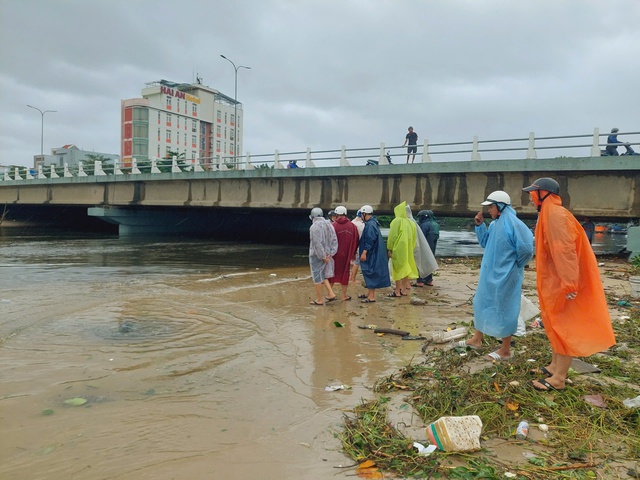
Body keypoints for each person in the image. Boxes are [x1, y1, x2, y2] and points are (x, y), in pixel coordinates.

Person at [523, 178, 616, 391]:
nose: (530, 198)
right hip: (554, 281)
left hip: (563, 283)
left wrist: (569, 284)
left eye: (533, 193)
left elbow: (564, 251)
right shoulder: (548, 213)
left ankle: (559, 378)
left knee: (564, 326)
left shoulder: (555, 215)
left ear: (543, 193)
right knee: (555, 324)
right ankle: (555, 366)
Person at [459, 191, 534, 361]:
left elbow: (527, 249)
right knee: (482, 302)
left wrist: (517, 265)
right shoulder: (494, 224)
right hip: (489, 274)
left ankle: (505, 349)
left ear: (500, 206)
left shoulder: (515, 224)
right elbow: (486, 243)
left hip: (507, 275)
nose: (489, 211)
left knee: (505, 307)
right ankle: (477, 339)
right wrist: (480, 226)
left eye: (491, 207)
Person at [358, 205, 391, 303]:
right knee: (371, 272)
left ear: (364, 214)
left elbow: (370, 240)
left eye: (361, 215)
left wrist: (364, 252)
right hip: (376, 252)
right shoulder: (373, 223)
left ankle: (371, 296)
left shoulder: (370, 225)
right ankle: (369, 293)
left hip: (372, 254)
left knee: (370, 272)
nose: (360, 217)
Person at [387, 201, 419, 297]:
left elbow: (392, 236)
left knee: (398, 269)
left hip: (398, 248)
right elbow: (414, 238)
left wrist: (390, 248)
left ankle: (397, 291)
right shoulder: (411, 223)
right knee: (406, 268)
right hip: (408, 249)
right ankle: (404, 290)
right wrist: (412, 248)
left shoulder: (396, 221)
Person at [308, 207, 338, 305]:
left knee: (317, 277)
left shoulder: (314, 227)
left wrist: (322, 256)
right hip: (328, 254)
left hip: (317, 255)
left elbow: (317, 243)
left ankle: (319, 299)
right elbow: (334, 239)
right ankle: (331, 293)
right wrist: (331, 253)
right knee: (323, 275)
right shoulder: (328, 224)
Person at [329, 206, 359, 301]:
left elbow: (328, 240)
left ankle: (330, 293)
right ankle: (344, 295)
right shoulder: (353, 226)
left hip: (334, 254)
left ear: (337, 214)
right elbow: (356, 240)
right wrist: (353, 253)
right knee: (345, 274)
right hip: (346, 255)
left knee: (332, 273)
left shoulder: (333, 226)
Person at [415, 210, 440, 286]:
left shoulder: (424, 225)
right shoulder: (433, 225)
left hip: (424, 248)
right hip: (431, 247)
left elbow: (420, 237)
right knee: (428, 263)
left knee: (420, 263)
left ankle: (420, 281)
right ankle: (429, 280)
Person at [349, 210, 366, 284]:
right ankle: (352, 279)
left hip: (352, 245)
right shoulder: (361, 225)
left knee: (354, 261)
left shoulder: (352, 222)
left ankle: (351, 277)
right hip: (359, 245)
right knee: (357, 262)